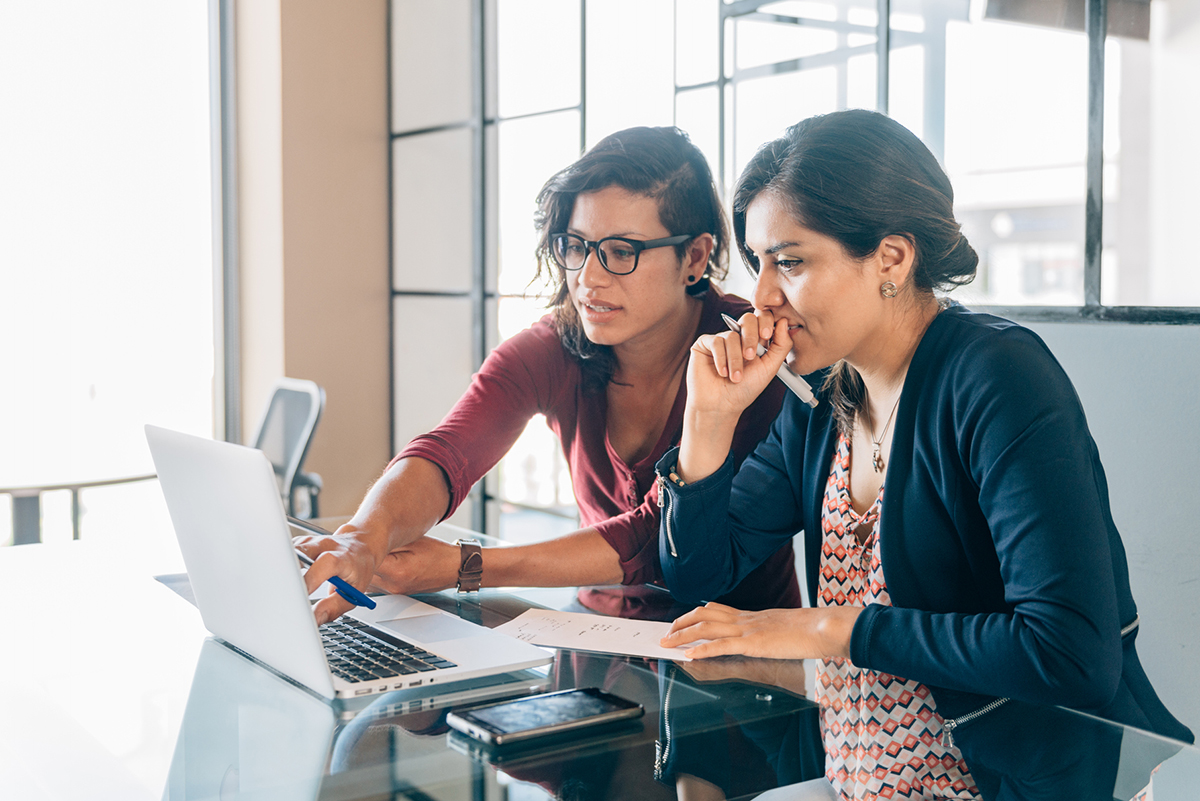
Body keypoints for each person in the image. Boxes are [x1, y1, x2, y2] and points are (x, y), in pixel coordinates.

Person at [654, 110, 1193, 799]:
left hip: (1001, 785)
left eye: (789, 261)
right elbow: (699, 570)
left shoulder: (997, 377)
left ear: (892, 259)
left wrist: (830, 628)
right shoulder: (825, 395)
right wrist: (707, 422)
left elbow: (1070, 652)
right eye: (758, 261)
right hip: (856, 780)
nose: (761, 296)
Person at [297, 125, 798, 625]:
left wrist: (465, 565)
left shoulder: (750, 357)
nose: (588, 278)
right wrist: (364, 536)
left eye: (621, 252)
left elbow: (653, 539)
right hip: (594, 632)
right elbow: (449, 450)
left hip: (737, 659)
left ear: (694, 257)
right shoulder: (559, 343)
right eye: (576, 246)